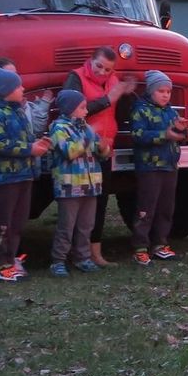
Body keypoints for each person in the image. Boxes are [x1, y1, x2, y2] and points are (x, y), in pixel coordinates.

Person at [0, 66, 50, 282]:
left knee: (17, 222)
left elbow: (25, 139)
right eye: (18, 85)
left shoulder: (17, 110)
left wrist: (37, 144)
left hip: (23, 175)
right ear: (6, 89)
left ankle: (10, 260)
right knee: (2, 222)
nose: (23, 88)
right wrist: (29, 149)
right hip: (3, 178)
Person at [63, 46, 131, 266]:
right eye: (99, 66)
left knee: (100, 201)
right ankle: (75, 252)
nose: (102, 72)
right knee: (79, 203)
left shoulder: (113, 80)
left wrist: (127, 95)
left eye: (108, 69)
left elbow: (119, 112)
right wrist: (108, 99)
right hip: (81, 152)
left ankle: (96, 252)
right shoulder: (76, 78)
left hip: (105, 149)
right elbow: (72, 112)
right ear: (90, 61)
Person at [47, 89, 108, 277]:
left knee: (86, 225)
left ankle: (82, 257)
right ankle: (58, 261)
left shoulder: (86, 127)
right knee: (67, 225)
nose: (86, 111)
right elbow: (70, 152)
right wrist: (89, 138)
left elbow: (101, 155)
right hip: (69, 188)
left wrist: (103, 148)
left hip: (90, 186)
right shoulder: (58, 128)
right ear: (70, 109)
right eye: (82, 107)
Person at [130, 70, 187, 266]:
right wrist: (166, 135)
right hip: (149, 167)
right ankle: (140, 247)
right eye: (161, 91)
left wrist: (180, 129)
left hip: (169, 166)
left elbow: (179, 134)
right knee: (147, 208)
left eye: (168, 92)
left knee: (166, 207)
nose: (165, 95)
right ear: (151, 91)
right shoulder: (141, 110)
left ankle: (160, 245)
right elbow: (138, 135)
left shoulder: (170, 111)